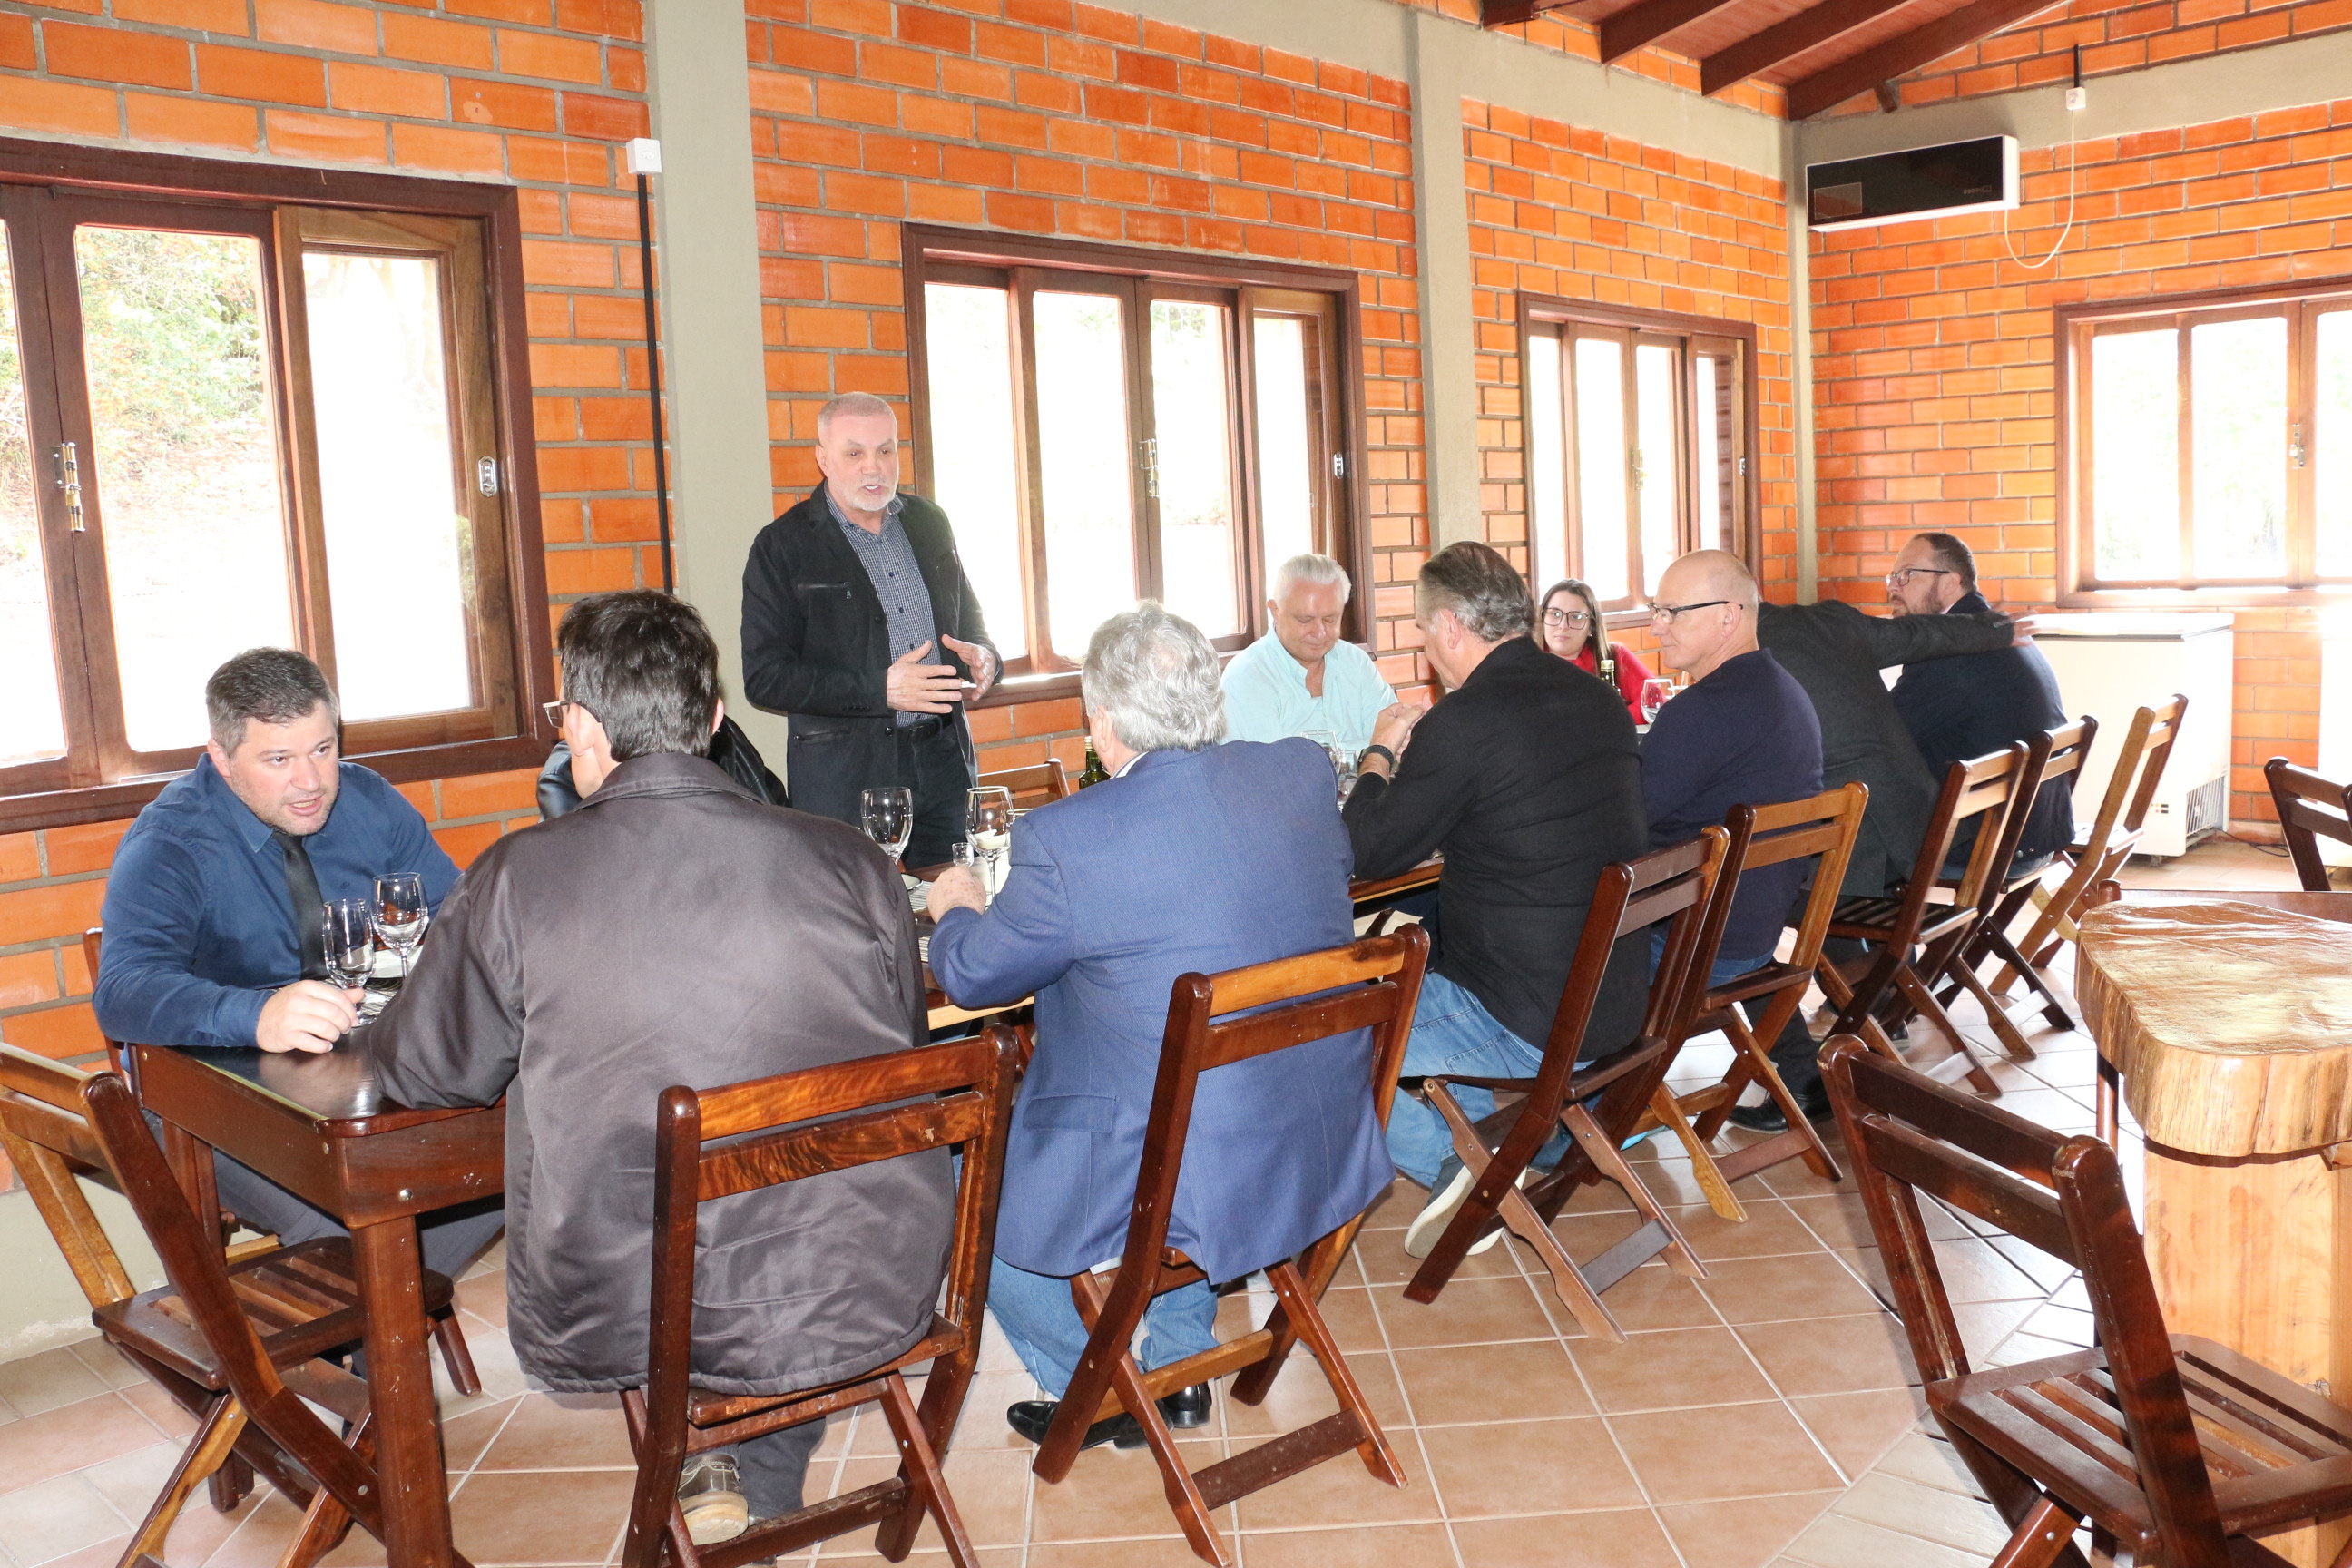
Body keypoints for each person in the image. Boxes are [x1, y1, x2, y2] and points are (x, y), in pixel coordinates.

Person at [369, 591, 954, 1541]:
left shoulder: (518, 877)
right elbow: (897, 1047)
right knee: (748, 1217)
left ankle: (716, 1463)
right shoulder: (856, 863)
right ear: (716, 722)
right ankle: (749, 1476)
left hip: (642, 1291)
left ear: (583, 730)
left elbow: (428, 1074)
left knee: (668, 1220)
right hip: (859, 1265)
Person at [927, 603, 1390, 1451]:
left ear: (1100, 721)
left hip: (1173, 1154)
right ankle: (1183, 1370)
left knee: (973, 1199)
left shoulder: (1067, 838)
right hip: (1309, 1122)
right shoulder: (1297, 775)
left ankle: (1096, 1385)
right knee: (1181, 1097)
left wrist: (953, 904)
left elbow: (969, 974)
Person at [93, 648, 501, 1278]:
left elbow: (456, 921)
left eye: (323, 749)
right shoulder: (170, 842)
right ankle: (380, 1326)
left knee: (526, 1153)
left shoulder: (369, 802)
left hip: (357, 1077)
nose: (310, 782)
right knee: (352, 1228)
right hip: (209, 1102)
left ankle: (383, 1320)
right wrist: (256, 1014)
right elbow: (121, 992)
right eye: (278, 759)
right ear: (221, 759)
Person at [1343, 543, 1648, 1258]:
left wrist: (1379, 756)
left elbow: (1363, 853)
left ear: (1450, 625)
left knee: (1313, 1044)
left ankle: (1462, 1173)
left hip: (1530, 1021)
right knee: (1439, 960)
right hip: (1619, 1001)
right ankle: (1479, 1153)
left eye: (1421, 631)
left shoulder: (1465, 721)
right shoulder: (1598, 698)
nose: (1424, 647)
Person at [1740, 577, 2019, 1130]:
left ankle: (1805, 1070)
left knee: (1738, 912)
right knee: (1806, 872)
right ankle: (1880, 1005)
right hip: (1915, 836)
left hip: (1860, 857)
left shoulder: (1747, 663)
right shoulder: (1827, 621)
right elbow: (1923, 634)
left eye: (1672, 613)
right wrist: (1999, 626)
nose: (1663, 625)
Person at [740, 391, 1001, 867]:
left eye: (885, 450)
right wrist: (880, 689)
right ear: (823, 459)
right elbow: (766, 678)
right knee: (859, 924)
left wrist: (985, 657)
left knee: (959, 903)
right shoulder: (783, 545)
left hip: (943, 763)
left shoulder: (929, 522)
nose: (873, 468)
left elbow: (970, 621)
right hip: (844, 780)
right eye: (854, 453)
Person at [1642, 551, 1823, 985]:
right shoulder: (1783, 688)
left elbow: (1621, 819)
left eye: (1673, 612)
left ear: (1729, 617)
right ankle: (1789, 1053)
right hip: (1753, 933)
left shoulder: (1703, 711)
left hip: (1691, 942)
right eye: (1656, 610)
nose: (1655, 627)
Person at [1887, 532, 2073, 867]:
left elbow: (1882, 734)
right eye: (1892, 577)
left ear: (1950, 583)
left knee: (1835, 852)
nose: (1893, 587)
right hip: (2032, 831)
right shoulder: (1995, 629)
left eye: (1907, 575)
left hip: (1992, 843)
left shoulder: (1951, 652)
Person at [1220, 553, 1397, 752]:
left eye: (1330, 619)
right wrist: (1368, 751)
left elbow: (1392, 740)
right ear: (1275, 611)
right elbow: (1270, 773)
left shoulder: (1355, 662)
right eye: (1305, 620)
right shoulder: (1248, 677)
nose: (1319, 632)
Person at [1540, 578, 1652, 724]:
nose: (1563, 625)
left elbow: (1652, 702)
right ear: (1542, 618)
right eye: (1555, 614)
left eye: (1576, 617)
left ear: (1591, 626)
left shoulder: (1613, 656)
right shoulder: (1525, 662)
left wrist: (1602, 723)